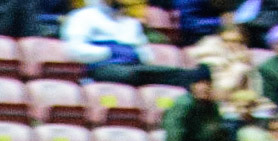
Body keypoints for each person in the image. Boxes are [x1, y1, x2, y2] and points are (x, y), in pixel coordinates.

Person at [62, 0, 199, 87]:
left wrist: (135, 54)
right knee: (130, 74)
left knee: (184, 75)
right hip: (103, 67)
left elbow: (145, 53)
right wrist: (110, 52)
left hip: (135, 66)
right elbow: (75, 49)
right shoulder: (83, 16)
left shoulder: (130, 22)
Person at [162, 66, 231, 141]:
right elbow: (174, 140)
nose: (204, 87)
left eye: (207, 83)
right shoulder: (183, 104)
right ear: (192, 86)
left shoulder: (212, 106)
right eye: (200, 83)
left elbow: (216, 136)